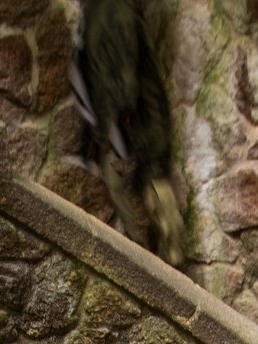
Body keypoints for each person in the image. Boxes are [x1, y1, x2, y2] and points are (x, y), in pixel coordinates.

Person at [71, 0, 186, 265]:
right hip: (133, 127)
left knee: (152, 198)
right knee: (155, 199)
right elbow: (115, 77)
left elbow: (112, 76)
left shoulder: (105, 11)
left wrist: (113, 128)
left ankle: (159, 269)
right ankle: (162, 268)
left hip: (129, 127)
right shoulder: (111, 11)